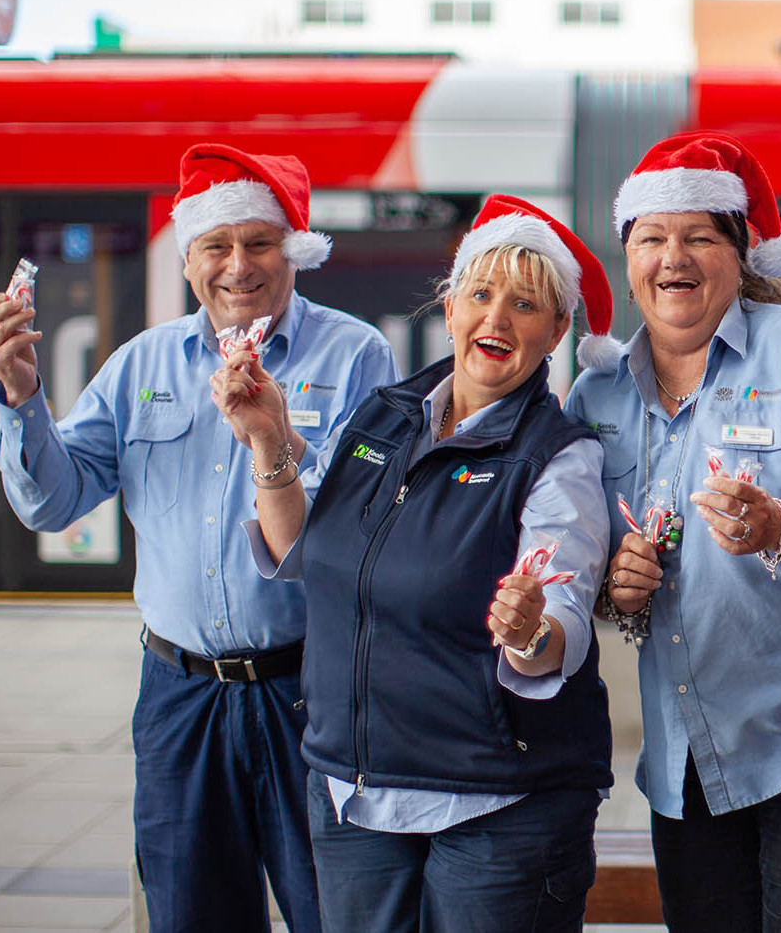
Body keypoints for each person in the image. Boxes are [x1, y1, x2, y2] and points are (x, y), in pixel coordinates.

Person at [0, 143, 399, 931]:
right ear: (191, 258)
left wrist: (278, 443)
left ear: (292, 250)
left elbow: (363, 523)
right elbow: (53, 503)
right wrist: (21, 393)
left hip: (313, 689)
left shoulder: (355, 354)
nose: (239, 265)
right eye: (216, 245)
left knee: (334, 910)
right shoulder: (142, 364)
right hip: (179, 697)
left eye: (259, 243)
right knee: (187, 911)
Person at [216, 194, 616, 933]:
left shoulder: (559, 457)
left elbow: (556, 630)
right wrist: (269, 445)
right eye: (481, 294)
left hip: (499, 805)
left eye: (525, 305)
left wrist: (528, 632)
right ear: (451, 305)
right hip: (353, 792)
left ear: (558, 330)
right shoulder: (383, 415)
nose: (496, 319)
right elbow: (305, 552)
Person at [566, 131, 781, 932]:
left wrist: (780, 525)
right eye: (651, 237)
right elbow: (574, 555)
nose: (672, 257)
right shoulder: (597, 392)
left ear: (740, 253)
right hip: (688, 755)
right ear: (628, 257)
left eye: (697, 236)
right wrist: (615, 585)